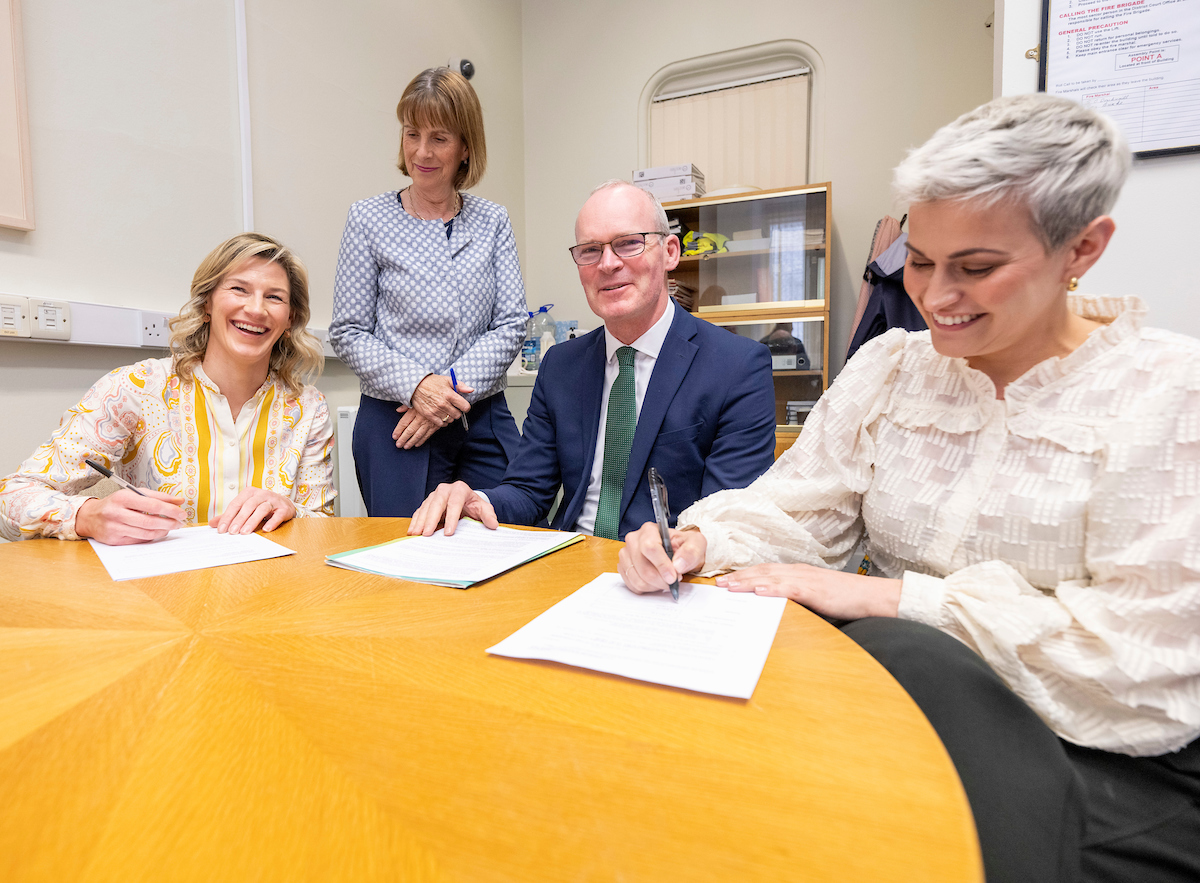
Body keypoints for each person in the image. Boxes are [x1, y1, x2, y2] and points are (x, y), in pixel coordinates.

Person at [620, 94, 1200, 883]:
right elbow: (802, 512)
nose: (934, 296)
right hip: (904, 707)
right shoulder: (894, 368)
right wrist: (701, 539)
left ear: (1083, 248)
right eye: (919, 261)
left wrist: (893, 600)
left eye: (977, 267)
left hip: (1094, 752)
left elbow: (1141, 665)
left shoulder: (1167, 395)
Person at [409, 180, 777, 540]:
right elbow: (528, 491)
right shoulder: (560, 366)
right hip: (569, 565)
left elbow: (726, 523)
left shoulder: (736, 366)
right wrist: (478, 499)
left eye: (629, 243)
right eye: (590, 250)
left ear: (669, 252)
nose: (608, 264)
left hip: (669, 576)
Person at [0, 233, 335, 544]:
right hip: (161, 594)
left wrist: (292, 510)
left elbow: (324, 526)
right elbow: (11, 497)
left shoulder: (308, 406)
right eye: (239, 289)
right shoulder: (136, 388)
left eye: (274, 297)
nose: (256, 308)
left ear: (290, 319)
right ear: (207, 304)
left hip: (270, 591)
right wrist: (85, 516)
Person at [330, 67, 527, 517]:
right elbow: (349, 330)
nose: (422, 151)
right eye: (411, 133)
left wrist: (448, 393)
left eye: (439, 137)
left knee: (508, 535)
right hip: (397, 422)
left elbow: (512, 321)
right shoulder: (368, 219)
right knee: (407, 553)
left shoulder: (492, 221)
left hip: (482, 415)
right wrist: (418, 387)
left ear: (465, 147)